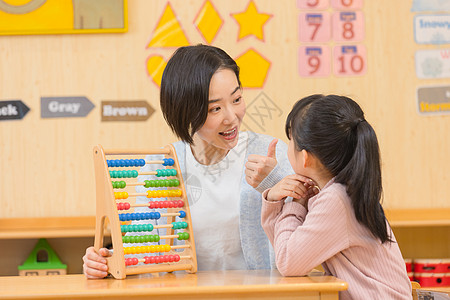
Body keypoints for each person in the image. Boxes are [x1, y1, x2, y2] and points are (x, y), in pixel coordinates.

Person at [83, 44, 294, 278]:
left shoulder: (269, 154)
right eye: (215, 108)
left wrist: (275, 183)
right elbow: (140, 253)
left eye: (236, 99)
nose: (232, 117)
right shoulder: (162, 167)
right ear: (186, 112)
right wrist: (105, 262)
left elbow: (307, 234)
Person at [261, 94, 412, 299]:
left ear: (305, 158)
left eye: (291, 141)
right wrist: (276, 199)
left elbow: (288, 261)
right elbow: (285, 249)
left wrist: (294, 202)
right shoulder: (341, 192)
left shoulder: (336, 200)